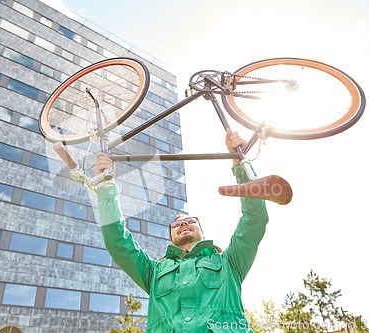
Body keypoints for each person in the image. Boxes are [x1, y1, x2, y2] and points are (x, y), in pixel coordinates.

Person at [93, 129, 269, 332]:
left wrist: (240, 163)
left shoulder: (230, 262)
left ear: (203, 233)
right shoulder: (152, 272)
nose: (183, 224)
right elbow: (118, 243)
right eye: (176, 224)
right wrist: (106, 186)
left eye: (190, 220)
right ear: (170, 238)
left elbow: (254, 219)